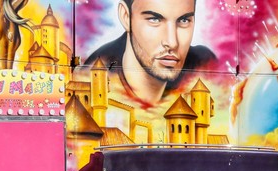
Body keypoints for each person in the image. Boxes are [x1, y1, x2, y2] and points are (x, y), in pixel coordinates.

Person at [84, 0, 216, 107]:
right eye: (154, 19)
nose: (172, 42)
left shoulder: (205, 65)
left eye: (184, 21)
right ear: (126, 17)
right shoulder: (92, 73)